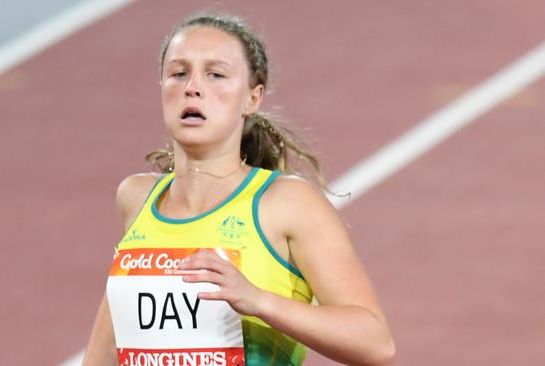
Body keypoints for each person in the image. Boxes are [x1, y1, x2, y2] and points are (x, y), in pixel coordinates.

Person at [83, 12, 396, 366]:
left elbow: (376, 343)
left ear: (253, 98)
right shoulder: (137, 198)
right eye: (178, 73)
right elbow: (105, 351)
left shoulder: (285, 204)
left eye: (215, 74)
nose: (193, 87)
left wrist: (258, 300)